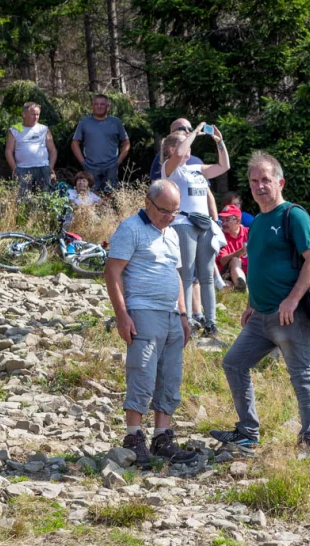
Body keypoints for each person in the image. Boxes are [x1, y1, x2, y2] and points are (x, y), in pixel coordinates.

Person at [210, 152, 310, 458]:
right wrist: (251, 302)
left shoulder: (293, 215)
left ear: (280, 182)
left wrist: (292, 299)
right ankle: (247, 432)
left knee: (301, 375)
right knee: (233, 363)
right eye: (254, 180)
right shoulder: (258, 222)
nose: (260, 185)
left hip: (289, 315)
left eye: (266, 179)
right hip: (259, 316)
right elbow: (258, 264)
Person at [104, 179, 198, 466]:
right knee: (142, 373)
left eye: (175, 211)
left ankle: (162, 437)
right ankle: (133, 436)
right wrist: (122, 316)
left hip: (172, 316)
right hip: (143, 311)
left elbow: (178, 277)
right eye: (164, 210)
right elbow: (112, 272)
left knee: (170, 376)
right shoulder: (130, 229)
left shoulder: (172, 234)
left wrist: (184, 315)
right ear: (147, 202)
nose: (169, 216)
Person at [161, 123, 230, 337]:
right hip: (184, 224)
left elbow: (224, 166)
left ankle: (211, 322)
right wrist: (192, 133)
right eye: (184, 144)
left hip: (204, 225)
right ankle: (187, 320)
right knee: (187, 274)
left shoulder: (196, 168)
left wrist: (219, 141)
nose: (189, 148)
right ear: (172, 149)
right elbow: (181, 152)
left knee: (207, 276)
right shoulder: (169, 168)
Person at [71, 94, 130, 192]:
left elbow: (126, 142)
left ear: (108, 106)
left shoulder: (116, 122)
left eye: (102, 104)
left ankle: (108, 208)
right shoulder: (84, 122)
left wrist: (118, 162)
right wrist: (83, 162)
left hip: (111, 165)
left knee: (110, 194)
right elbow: (74, 144)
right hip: (90, 166)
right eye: (96, 104)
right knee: (91, 194)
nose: (99, 106)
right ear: (92, 106)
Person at [6, 102, 57, 195]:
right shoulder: (14, 130)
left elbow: (53, 150)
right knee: (22, 199)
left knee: (45, 198)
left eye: (38, 114)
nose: (36, 117)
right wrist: (15, 169)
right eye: (33, 114)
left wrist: (50, 168)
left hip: (43, 168)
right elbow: (9, 151)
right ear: (24, 114)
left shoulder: (44, 129)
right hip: (23, 169)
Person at [216, 204, 248, 290]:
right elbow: (222, 261)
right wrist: (240, 252)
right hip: (228, 274)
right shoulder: (220, 237)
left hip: (251, 272)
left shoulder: (250, 233)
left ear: (237, 221)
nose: (224, 223)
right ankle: (242, 287)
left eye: (227, 220)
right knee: (235, 260)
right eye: (222, 220)